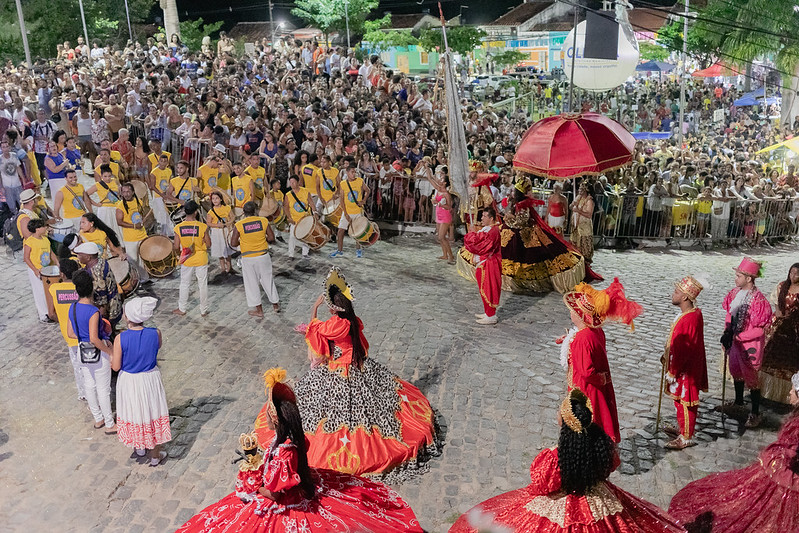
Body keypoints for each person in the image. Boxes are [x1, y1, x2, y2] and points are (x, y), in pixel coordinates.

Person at [178, 368, 424, 532]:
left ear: (276, 421)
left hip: (285, 502)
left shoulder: (284, 454)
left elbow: (273, 494)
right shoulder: (294, 440)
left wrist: (251, 483)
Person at [255, 270, 438, 480]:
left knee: (323, 411)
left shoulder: (334, 324)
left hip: (338, 370)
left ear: (333, 307)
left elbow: (315, 330)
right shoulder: (353, 320)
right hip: (358, 366)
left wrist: (314, 308)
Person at [450, 389, 685, 533]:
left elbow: (542, 485)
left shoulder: (555, 457)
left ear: (563, 422)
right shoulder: (600, 444)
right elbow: (611, 465)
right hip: (599, 499)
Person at [668, 371, 799, 532]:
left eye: (793, 390)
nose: (790, 392)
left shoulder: (797, 427)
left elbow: (789, 454)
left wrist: (773, 459)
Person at [559, 280, 642, 443]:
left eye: (573, 310)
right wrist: (568, 340)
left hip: (584, 389)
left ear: (579, 315)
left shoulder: (583, 339)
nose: (571, 312)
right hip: (595, 387)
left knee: (586, 423)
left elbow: (586, 371)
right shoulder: (594, 332)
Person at [111, 297, 171, 466]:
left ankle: (139, 447)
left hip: (130, 381)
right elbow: (157, 347)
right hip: (150, 378)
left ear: (127, 317)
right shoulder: (155, 333)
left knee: (135, 411)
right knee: (152, 412)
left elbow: (115, 367)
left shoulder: (120, 339)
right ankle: (155, 456)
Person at [721, 257, 773, 428]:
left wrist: (740, 337)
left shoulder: (759, 301)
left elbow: (759, 329)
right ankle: (738, 401)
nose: (735, 279)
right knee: (735, 369)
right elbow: (729, 313)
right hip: (735, 342)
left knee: (751, 376)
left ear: (749, 278)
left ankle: (755, 412)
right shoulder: (734, 294)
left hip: (749, 344)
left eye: (738, 276)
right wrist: (727, 332)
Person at [66, 270, 116, 434]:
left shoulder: (72, 307)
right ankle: (109, 423)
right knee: (103, 388)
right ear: (91, 288)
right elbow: (95, 339)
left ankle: (98, 418)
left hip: (82, 351)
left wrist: (83, 335)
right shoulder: (93, 312)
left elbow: (70, 333)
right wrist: (110, 351)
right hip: (98, 353)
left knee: (89, 385)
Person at [662, 275, 708, 450]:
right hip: (683, 366)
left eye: (676, 292)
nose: (672, 294)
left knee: (686, 401)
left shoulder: (689, 319)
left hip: (686, 370)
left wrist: (673, 370)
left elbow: (684, 349)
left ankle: (686, 436)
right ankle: (683, 429)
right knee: (678, 400)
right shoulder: (690, 314)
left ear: (685, 297)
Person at [231, 201, 280, 317]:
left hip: (249, 257)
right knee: (268, 280)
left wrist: (243, 241)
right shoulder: (263, 221)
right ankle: (275, 305)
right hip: (263, 256)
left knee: (251, 283)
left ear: (243, 212)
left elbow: (233, 243)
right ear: (256, 211)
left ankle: (259, 310)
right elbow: (272, 238)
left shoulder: (239, 225)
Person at [760, 262, 799, 403]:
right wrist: (779, 320)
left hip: (795, 330)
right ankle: (768, 390)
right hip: (779, 326)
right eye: (791, 273)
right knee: (769, 357)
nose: (793, 276)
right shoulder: (782, 286)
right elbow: (777, 307)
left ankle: (788, 394)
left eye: (797, 274)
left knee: (791, 361)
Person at [462, 207, 502, 325]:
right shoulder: (487, 229)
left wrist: (471, 234)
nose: (481, 218)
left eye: (484, 216)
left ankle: (491, 315)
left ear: (491, 218)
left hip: (489, 264)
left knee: (488, 288)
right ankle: (487, 312)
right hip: (483, 263)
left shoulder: (493, 231)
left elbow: (480, 245)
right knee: (483, 289)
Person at [172, 200, 210, 317]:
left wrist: (180, 254)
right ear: (196, 212)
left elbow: (176, 246)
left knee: (184, 284)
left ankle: (182, 308)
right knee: (202, 284)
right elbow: (208, 244)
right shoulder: (202, 226)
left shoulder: (179, 227)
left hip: (187, 258)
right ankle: (203, 310)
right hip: (201, 258)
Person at [74, 241, 122, 327]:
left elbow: (101, 303)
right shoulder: (101, 261)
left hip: (109, 313)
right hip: (116, 305)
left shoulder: (96, 275)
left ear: (88, 257)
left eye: (79, 255)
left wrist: (101, 322)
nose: (78, 257)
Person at [330, 165, 370, 258]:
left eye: (354, 172)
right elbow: (342, 200)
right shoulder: (343, 184)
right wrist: (346, 213)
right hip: (347, 211)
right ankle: (339, 250)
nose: (354, 174)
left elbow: (368, 190)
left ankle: (358, 249)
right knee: (340, 231)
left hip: (358, 211)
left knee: (358, 231)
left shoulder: (360, 181)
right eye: (352, 172)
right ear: (347, 173)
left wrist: (363, 200)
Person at [23, 218, 57, 323]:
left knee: (48, 290)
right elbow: (26, 258)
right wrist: (34, 270)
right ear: (37, 229)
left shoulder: (45, 239)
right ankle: (43, 314)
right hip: (37, 269)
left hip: (47, 269)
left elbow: (51, 253)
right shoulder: (30, 242)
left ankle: (51, 311)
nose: (45, 228)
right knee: (39, 292)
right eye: (43, 226)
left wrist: (57, 263)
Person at [115, 182, 149, 279]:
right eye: (124, 192)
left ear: (133, 192)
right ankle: (135, 280)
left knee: (143, 258)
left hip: (142, 235)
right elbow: (119, 222)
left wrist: (143, 221)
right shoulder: (120, 206)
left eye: (128, 191)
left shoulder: (139, 202)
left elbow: (141, 214)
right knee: (133, 260)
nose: (126, 194)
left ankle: (144, 278)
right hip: (130, 238)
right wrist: (134, 226)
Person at [283, 174, 315, 258]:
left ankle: (305, 253)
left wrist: (315, 212)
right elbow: (286, 207)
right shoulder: (288, 195)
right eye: (290, 182)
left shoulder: (305, 191)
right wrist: (289, 218)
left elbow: (311, 202)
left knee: (306, 237)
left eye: (293, 182)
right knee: (292, 237)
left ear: (298, 182)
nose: (292, 184)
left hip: (305, 218)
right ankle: (291, 254)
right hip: (295, 219)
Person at [205, 190, 235, 275]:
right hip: (217, 232)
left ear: (221, 199)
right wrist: (217, 225)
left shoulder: (227, 208)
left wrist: (229, 223)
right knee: (220, 251)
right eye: (213, 199)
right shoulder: (211, 212)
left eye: (217, 198)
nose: (215, 200)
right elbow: (208, 223)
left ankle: (229, 268)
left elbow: (232, 217)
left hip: (226, 230)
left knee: (228, 249)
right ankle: (223, 269)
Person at [53, 169, 90, 233]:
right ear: (66, 178)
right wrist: (57, 218)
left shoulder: (81, 186)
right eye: (70, 177)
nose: (73, 179)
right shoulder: (61, 192)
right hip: (70, 219)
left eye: (75, 177)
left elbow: (86, 200)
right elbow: (56, 207)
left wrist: (90, 212)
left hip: (82, 216)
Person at [570, 182, 595, 263]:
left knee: (584, 248)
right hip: (576, 227)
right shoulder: (578, 198)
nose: (579, 191)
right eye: (579, 189)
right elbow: (571, 207)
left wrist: (578, 210)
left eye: (581, 189)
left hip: (584, 229)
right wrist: (572, 205)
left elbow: (589, 214)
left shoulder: (589, 201)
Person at [432, 172, 454, 263]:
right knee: (440, 237)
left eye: (441, 178)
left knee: (441, 237)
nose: (440, 179)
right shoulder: (438, 190)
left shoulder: (446, 194)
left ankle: (451, 256)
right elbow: (430, 178)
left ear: (445, 183)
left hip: (445, 216)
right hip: (439, 215)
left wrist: (441, 204)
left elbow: (449, 207)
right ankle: (445, 255)